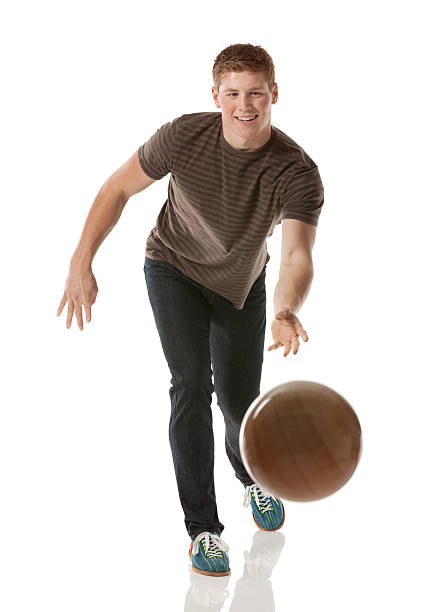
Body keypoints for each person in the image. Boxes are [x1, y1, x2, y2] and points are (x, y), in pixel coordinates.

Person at [56, 43, 324, 577]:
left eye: (255, 93)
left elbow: (296, 255)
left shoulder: (296, 170)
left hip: (240, 286)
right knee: (189, 384)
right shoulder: (184, 136)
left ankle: (252, 481)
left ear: (274, 94)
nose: (244, 106)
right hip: (173, 267)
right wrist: (81, 259)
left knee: (240, 405)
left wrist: (287, 308)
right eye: (232, 94)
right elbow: (116, 189)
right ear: (215, 96)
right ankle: (203, 529)